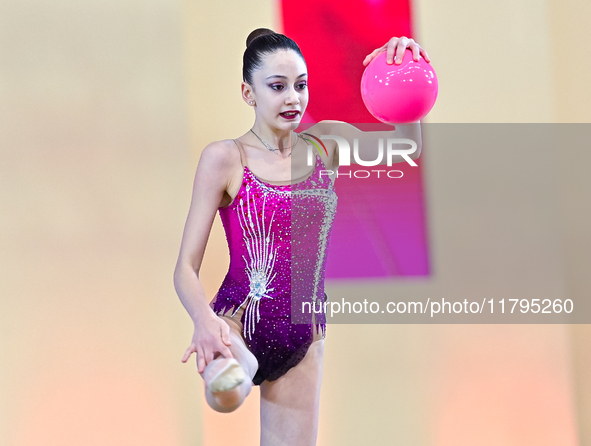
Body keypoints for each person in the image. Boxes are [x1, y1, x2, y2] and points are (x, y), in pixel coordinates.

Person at [173, 28, 429, 446]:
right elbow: (184, 268)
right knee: (227, 393)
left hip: (304, 332)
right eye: (277, 87)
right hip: (235, 323)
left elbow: (406, 147)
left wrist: (406, 72)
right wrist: (203, 322)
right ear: (248, 92)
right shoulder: (224, 158)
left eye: (300, 85)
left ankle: (244, 366)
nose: (293, 98)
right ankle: (238, 363)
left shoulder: (327, 143)